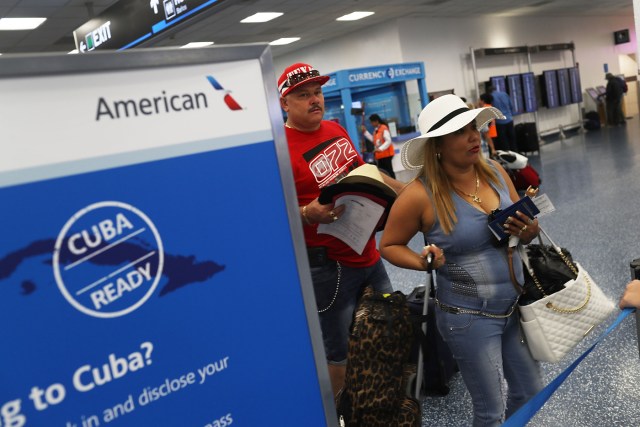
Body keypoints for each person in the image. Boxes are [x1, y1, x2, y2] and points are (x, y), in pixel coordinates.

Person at [379, 94, 544, 426]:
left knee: (529, 392)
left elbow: (526, 228)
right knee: (490, 409)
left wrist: (529, 229)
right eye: (460, 132)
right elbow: (390, 245)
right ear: (437, 144)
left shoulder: (495, 171)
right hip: (468, 318)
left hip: (514, 306)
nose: (474, 137)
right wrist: (424, 261)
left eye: (473, 127)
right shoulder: (419, 195)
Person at [277, 62, 405, 396]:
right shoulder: (278, 150)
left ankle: (381, 403)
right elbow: (270, 211)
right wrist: (307, 212)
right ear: (284, 104)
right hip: (328, 267)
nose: (314, 100)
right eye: (303, 95)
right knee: (339, 352)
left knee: (388, 328)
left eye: (317, 92)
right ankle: (338, 414)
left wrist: (406, 193)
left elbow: (364, 170)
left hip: (368, 253)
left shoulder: (336, 129)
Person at [362, 113, 396, 178]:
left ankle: (395, 185)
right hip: (380, 156)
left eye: (372, 122)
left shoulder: (383, 128)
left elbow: (388, 141)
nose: (371, 124)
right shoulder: (376, 131)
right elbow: (374, 140)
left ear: (376, 121)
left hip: (386, 154)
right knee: (383, 173)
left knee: (389, 171)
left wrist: (380, 149)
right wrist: (365, 132)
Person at [489, 86, 518, 152]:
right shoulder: (504, 94)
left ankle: (508, 156)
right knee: (512, 139)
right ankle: (516, 154)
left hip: (499, 122)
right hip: (509, 119)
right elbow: (511, 106)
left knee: (504, 141)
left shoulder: (491, 97)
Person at [478, 93, 497, 158]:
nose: (478, 102)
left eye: (479, 100)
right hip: (493, 133)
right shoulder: (491, 107)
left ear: (482, 100)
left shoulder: (484, 110)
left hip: (488, 135)